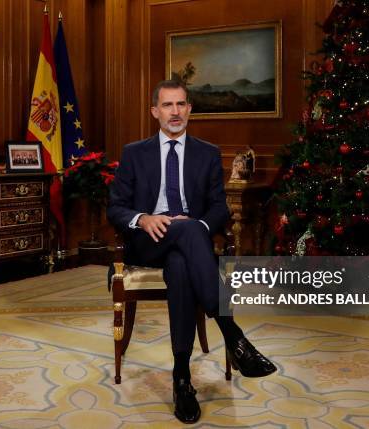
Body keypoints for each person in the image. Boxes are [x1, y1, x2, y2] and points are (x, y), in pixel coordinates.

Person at [107, 80, 276, 424]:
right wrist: (143, 218)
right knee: (184, 233)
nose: (175, 112)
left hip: (188, 245)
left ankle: (181, 378)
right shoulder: (134, 152)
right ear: (154, 111)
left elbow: (218, 208)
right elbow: (116, 208)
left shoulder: (207, 152)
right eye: (168, 105)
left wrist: (196, 226)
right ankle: (233, 334)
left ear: (190, 110)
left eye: (181, 104)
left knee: (182, 262)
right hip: (147, 242)